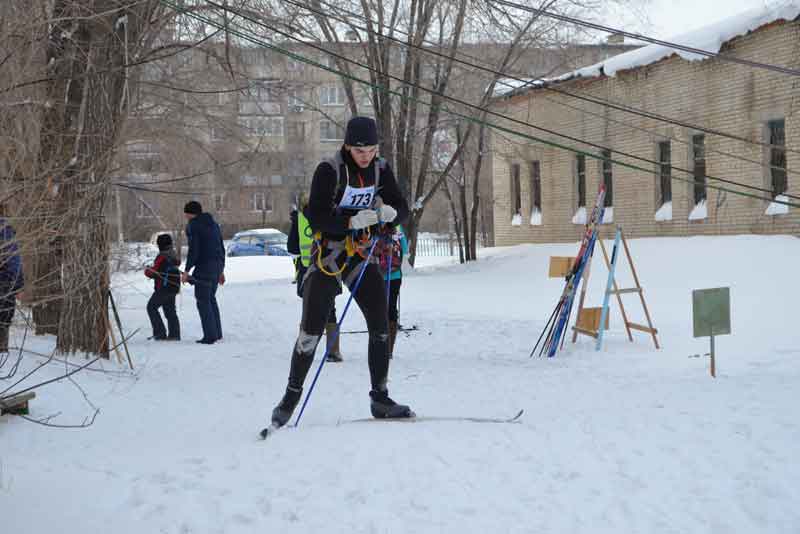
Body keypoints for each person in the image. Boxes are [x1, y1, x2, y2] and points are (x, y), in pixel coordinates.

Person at [270, 116, 414, 427]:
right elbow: (316, 215)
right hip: (328, 256)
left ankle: (380, 396)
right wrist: (349, 222)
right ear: (348, 146)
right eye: (360, 151)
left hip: (360, 255)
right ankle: (290, 398)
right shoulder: (329, 170)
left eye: (372, 150)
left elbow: (401, 205)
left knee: (379, 323)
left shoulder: (381, 169)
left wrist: (391, 216)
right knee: (310, 331)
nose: (366, 156)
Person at [288, 194, 345, 362]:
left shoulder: (299, 219)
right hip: (329, 267)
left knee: (308, 310)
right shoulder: (332, 214)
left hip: (308, 269)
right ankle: (333, 350)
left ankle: (304, 351)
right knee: (330, 309)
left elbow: (292, 247)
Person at [180, 201, 226, 344]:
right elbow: (221, 246)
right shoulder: (214, 224)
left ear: (190, 213)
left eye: (186, 213)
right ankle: (217, 333)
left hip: (204, 267)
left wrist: (187, 271)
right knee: (211, 298)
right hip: (217, 265)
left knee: (203, 300)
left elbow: (194, 250)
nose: (185, 216)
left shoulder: (193, 226)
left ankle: (210, 336)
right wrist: (221, 270)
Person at [379, 224, 409, 359]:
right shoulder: (397, 227)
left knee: (379, 309)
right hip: (395, 275)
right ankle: (389, 349)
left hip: (377, 274)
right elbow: (406, 250)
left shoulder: (374, 223)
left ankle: (380, 345)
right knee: (391, 308)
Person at [144, 234, 181, 341]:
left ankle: (160, 334)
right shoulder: (173, 254)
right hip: (174, 287)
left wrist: (147, 270)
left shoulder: (162, 256)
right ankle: (174, 335)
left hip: (164, 288)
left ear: (160, 244)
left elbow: (154, 273)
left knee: (151, 307)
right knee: (170, 311)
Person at [0, 217, 23, 353]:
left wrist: (18, 285)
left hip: (5, 281)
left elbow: (15, 261)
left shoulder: (6, 232)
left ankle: (2, 347)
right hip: (7, 281)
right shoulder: (7, 230)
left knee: (5, 313)